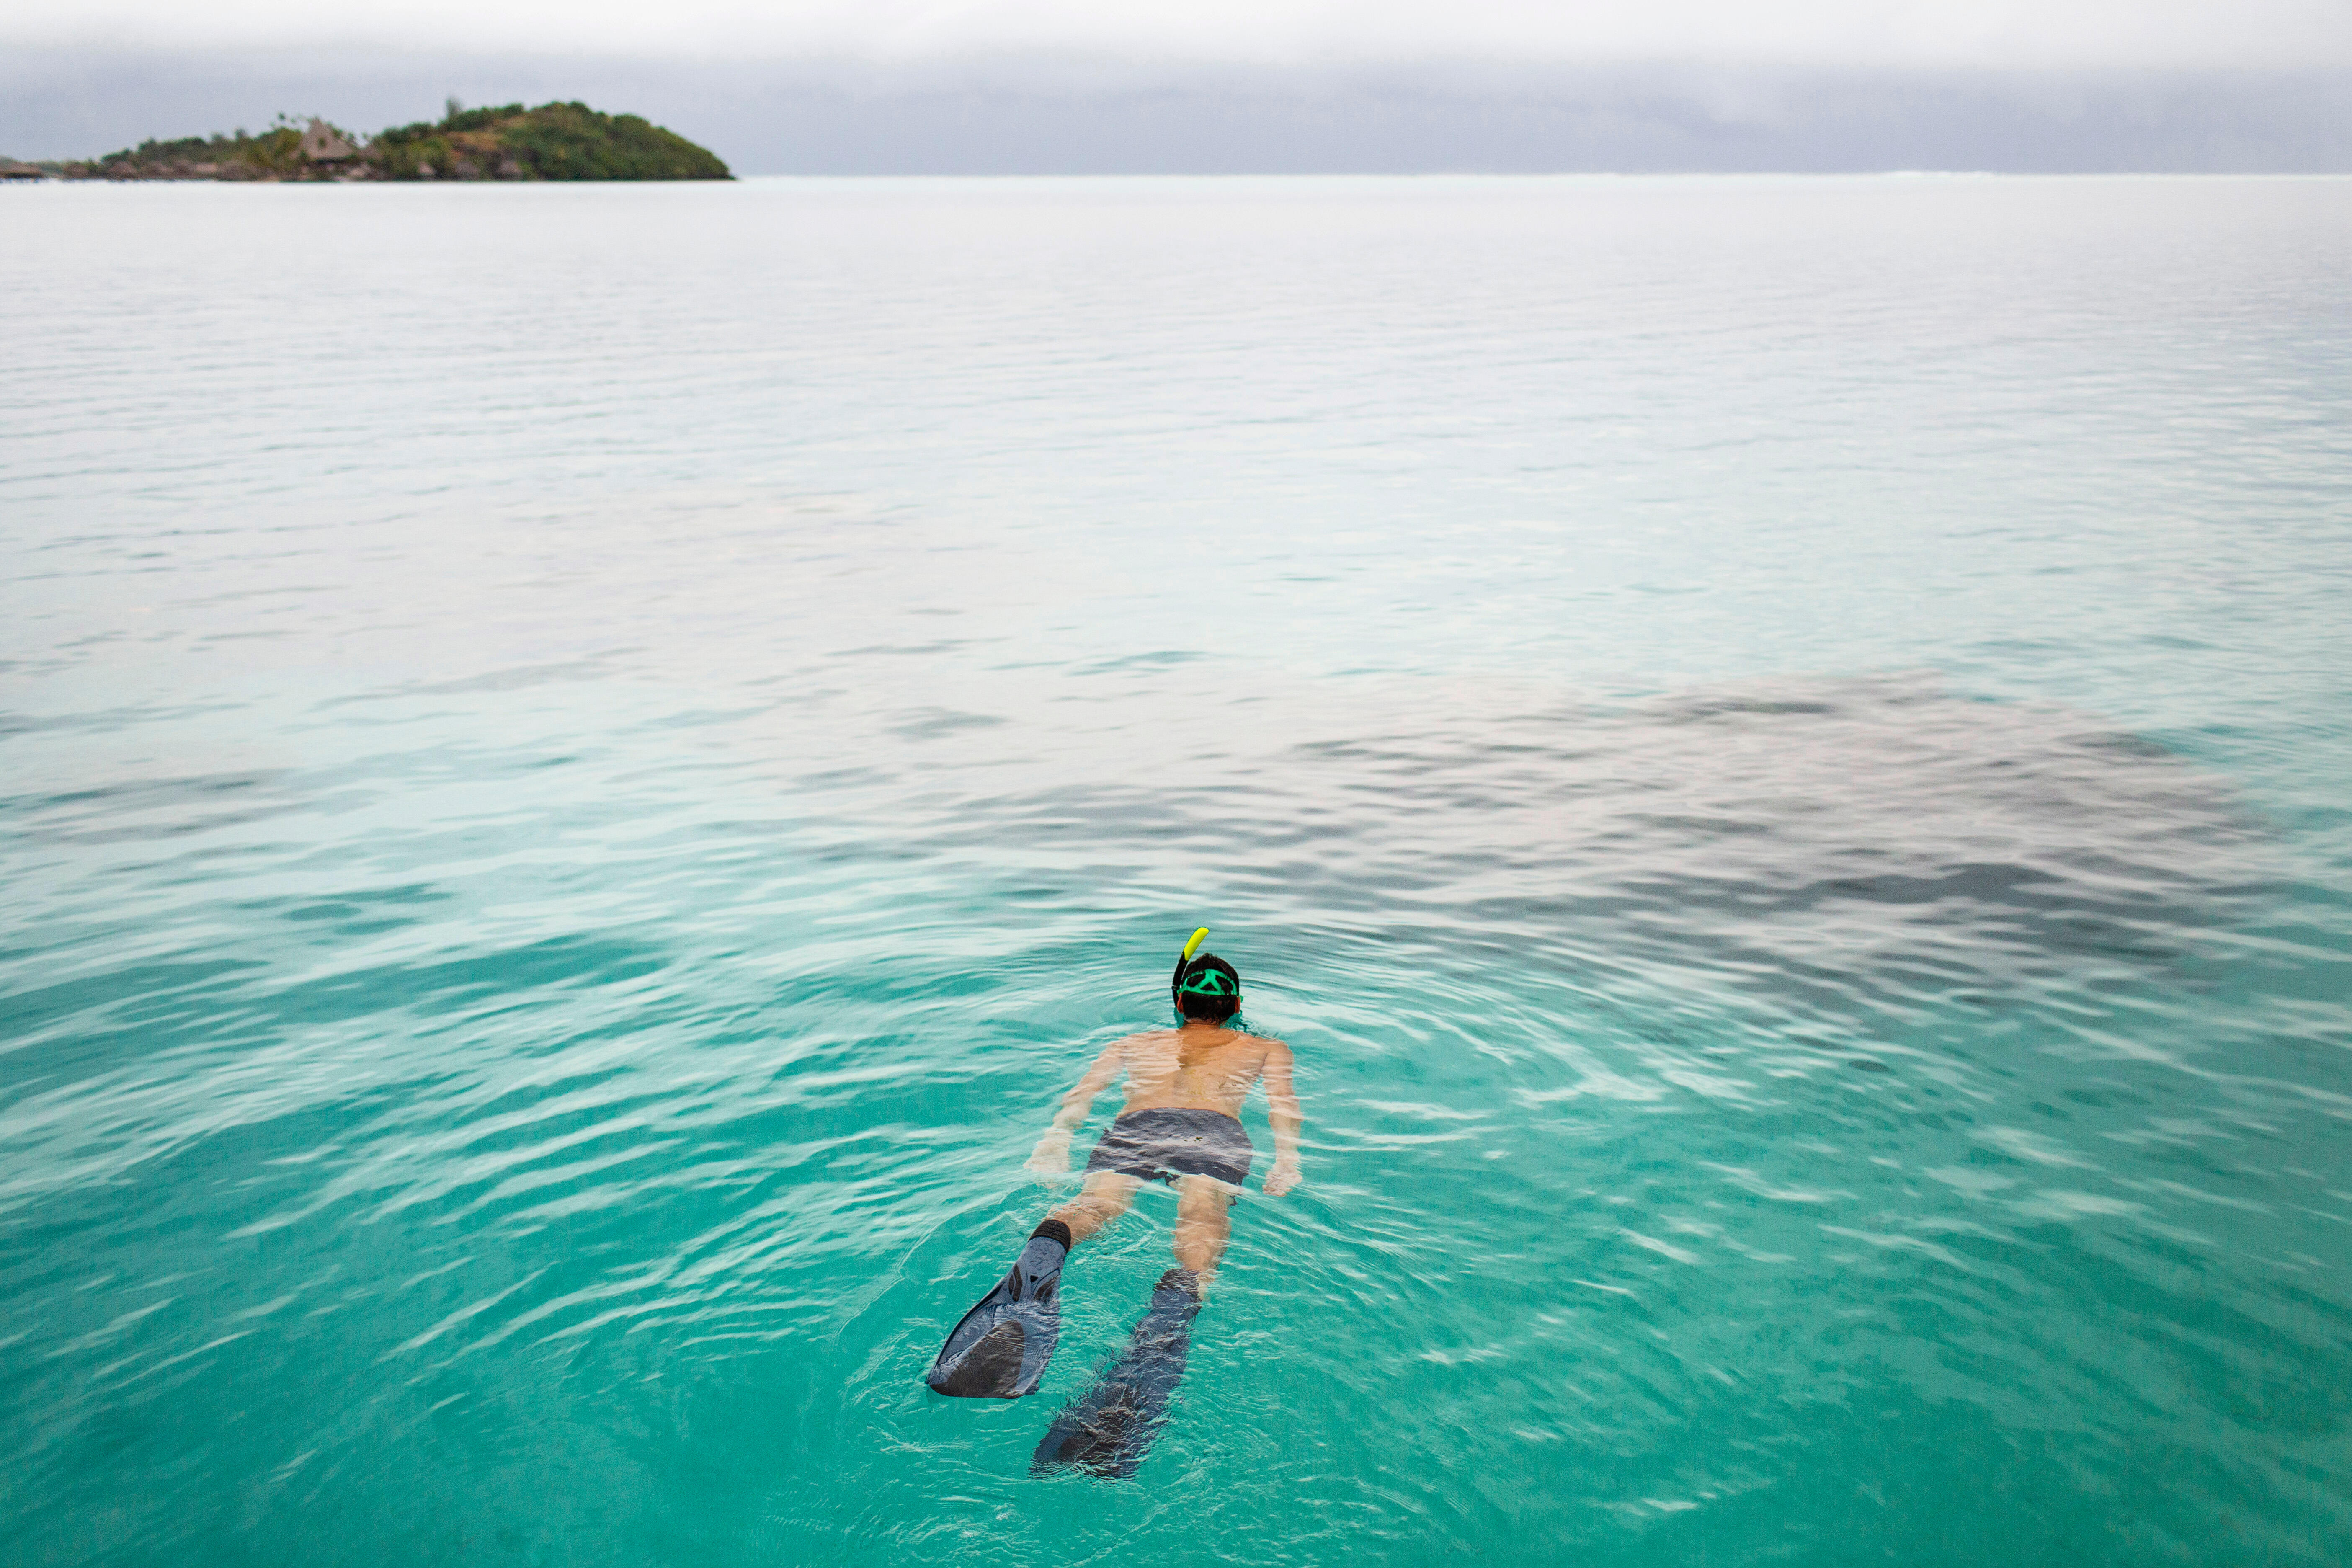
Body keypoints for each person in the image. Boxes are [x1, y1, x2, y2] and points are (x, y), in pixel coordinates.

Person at [926, 944, 1302, 1406]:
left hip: (1138, 1128)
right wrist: (1289, 1161)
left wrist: (1055, 1141)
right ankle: (1182, 1295)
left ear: (1180, 1004)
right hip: (1212, 1132)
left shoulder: (1135, 1042)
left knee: (1096, 1207)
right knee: (1202, 1213)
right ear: (1237, 1009)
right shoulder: (1264, 1047)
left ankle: (1049, 1244)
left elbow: (1081, 1094)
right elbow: (1284, 1107)